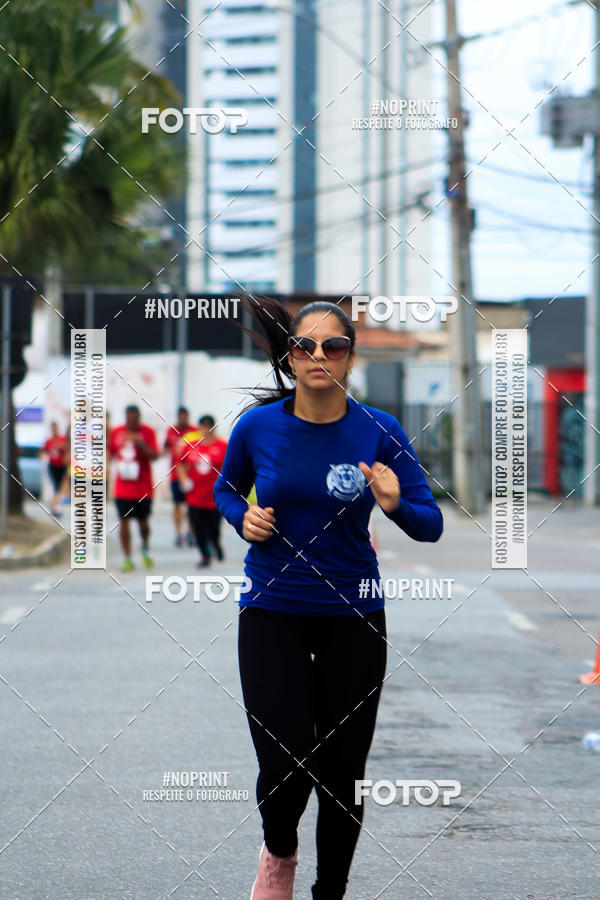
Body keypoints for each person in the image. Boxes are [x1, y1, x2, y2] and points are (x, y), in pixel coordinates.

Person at [213, 297, 443, 900]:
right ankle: (279, 851)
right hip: (272, 610)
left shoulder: (379, 431)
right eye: (305, 346)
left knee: (343, 772)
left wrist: (394, 504)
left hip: (354, 616)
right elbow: (226, 489)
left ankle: (330, 892)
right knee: (284, 764)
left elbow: (430, 523)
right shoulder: (258, 426)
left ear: (349, 355)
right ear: (290, 356)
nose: (319, 356)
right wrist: (243, 519)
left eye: (332, 346)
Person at [109, 404, 159, 572]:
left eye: (135, 419)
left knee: (143, 523)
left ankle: (145, 548)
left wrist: (141, 444)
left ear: (139, 418)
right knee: (123, 522)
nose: (132, 422)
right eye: (129, 419)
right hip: (122, 488)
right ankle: (127, 557)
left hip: (143, 488)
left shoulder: (148, 432)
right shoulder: (117, 432)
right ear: (125, 417)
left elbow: (155, 456)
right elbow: (109, 454)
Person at [175, 415, 228, 566]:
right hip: (195, 495)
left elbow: (230, 467)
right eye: (203, 426)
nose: (206, 430)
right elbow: (179, 463)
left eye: (208, 426)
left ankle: (216, 543)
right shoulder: (190, 445)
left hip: (214, 496)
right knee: (197, 525)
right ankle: (205, 555)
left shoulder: (223, 446)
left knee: (213, 527)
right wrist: (184, 479)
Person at [164, 406, 196, 547]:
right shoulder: (171, 431)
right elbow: (165, 448)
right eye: (180, 416)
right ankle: (178, 533)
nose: (182, 418)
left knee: (191, 505)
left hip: (191, 474)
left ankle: (191, 531)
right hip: (175, 474)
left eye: (185, 416)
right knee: (177, 504)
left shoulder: (194, 431)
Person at [40, 422, 68, 516]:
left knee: (60, 486)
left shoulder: (62, 439)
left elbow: (67, 448)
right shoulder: (49, 441)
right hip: (53, 466)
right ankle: (55, 508)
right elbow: (43, 451)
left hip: (62, 465)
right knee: (56, 487)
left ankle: (56, 506)